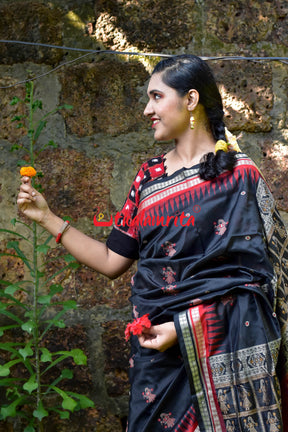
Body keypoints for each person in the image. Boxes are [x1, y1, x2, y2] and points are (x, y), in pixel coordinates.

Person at [17, 54, 288, 432]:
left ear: (190, 100)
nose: (147, 109)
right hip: (155, 366)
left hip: (220, 349)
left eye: (157, 97)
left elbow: (263, 287)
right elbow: (112, 260)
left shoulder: (240, 176)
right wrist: (46, 218)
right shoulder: (149, 178)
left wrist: (185, 327)